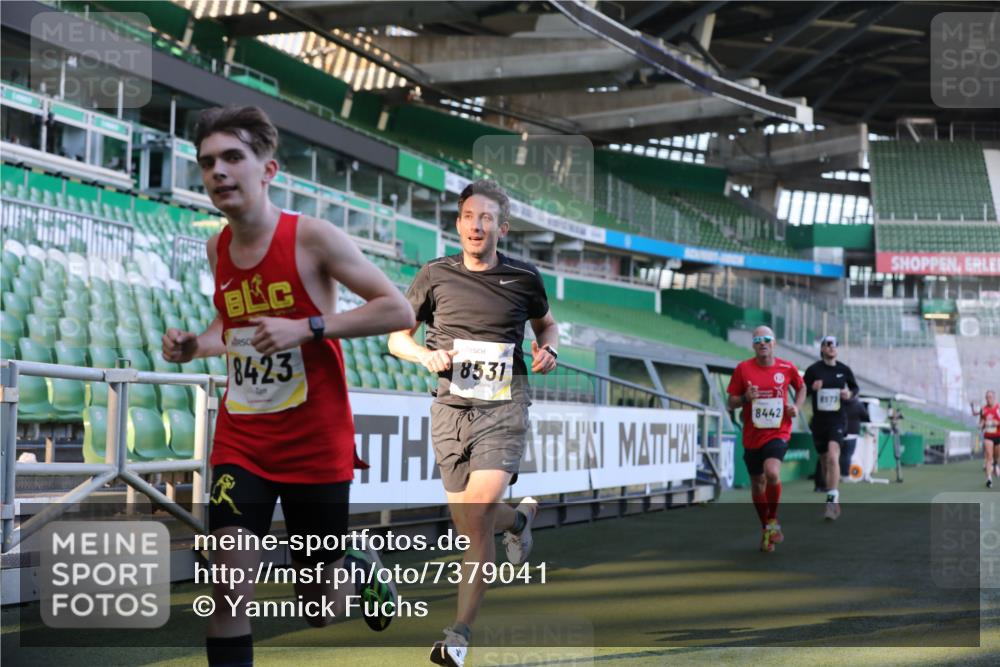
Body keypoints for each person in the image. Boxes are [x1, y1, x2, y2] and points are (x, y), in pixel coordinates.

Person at [161, 105, 415, 667]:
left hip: (315, 442)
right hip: (243, 437)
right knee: (228, 583)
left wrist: (310, 326)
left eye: (233, 158)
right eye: (207, 163)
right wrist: (194, 346)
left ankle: (352, 565)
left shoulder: (313, 237)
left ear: (268, 169)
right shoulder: (216, 247)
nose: (218, 172)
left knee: (319, 606)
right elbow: (230, 326)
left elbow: (398, 310)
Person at [388, 179, 559, 667]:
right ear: (458, 223)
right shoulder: (434, 274)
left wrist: (548, 349)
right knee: (469, 525)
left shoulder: (524, 278)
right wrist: (424, 356)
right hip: (449, 409)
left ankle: (459, 635)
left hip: (504, 406)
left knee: (479, 512)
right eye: (468, 216)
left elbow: (546, 324)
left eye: (486, 217)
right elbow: (397, 338)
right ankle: (520, 519)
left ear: (501, 227)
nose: (476, 225)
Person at [727, 325, 805, 552]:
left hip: (778, 431)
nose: (762, 342)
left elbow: (802, 388)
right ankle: (767, 528)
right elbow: (730, 403)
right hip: (752, 434)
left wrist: (796, 408)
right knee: (757, 483)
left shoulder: (787, 367)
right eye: (758, 339)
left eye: (767, 339)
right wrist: (744, 397)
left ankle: (773, 521)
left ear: (774, 343)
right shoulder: (743, 369)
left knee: (772, 472)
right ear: (753, 345)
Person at [803, 335, 859, 521]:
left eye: (834, 344)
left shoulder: (844, 370)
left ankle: (831, 500)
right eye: (828, 344)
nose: (831, 347)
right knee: (825, 460)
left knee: (834, 456)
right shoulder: (813, 370)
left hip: (837, 419)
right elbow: (801, 392)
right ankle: (830, 493)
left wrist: (849, 393)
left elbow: (856, 389)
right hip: (819, 421)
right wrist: (812, 388)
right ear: (822, 349)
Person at [841, 395, 870, 478]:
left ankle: (838, 473)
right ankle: (845, 474)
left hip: (840, 432)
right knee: (847, 455)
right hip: (852, 433)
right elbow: (866, 417)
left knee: (840, 455)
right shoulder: (857, 405)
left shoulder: (840, 404)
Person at [976, 390, 1000, 488]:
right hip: (988, 436)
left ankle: (996, 465)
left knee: (996, 457)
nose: (988, 399)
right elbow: (981, 421)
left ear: (994, 398)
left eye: (990, 397)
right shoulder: (983, 409)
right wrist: (981, 425)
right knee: (989, 456)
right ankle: (989, 479)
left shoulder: (998, 408)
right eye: (987, 397)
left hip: (998, 436)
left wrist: (996, 423)